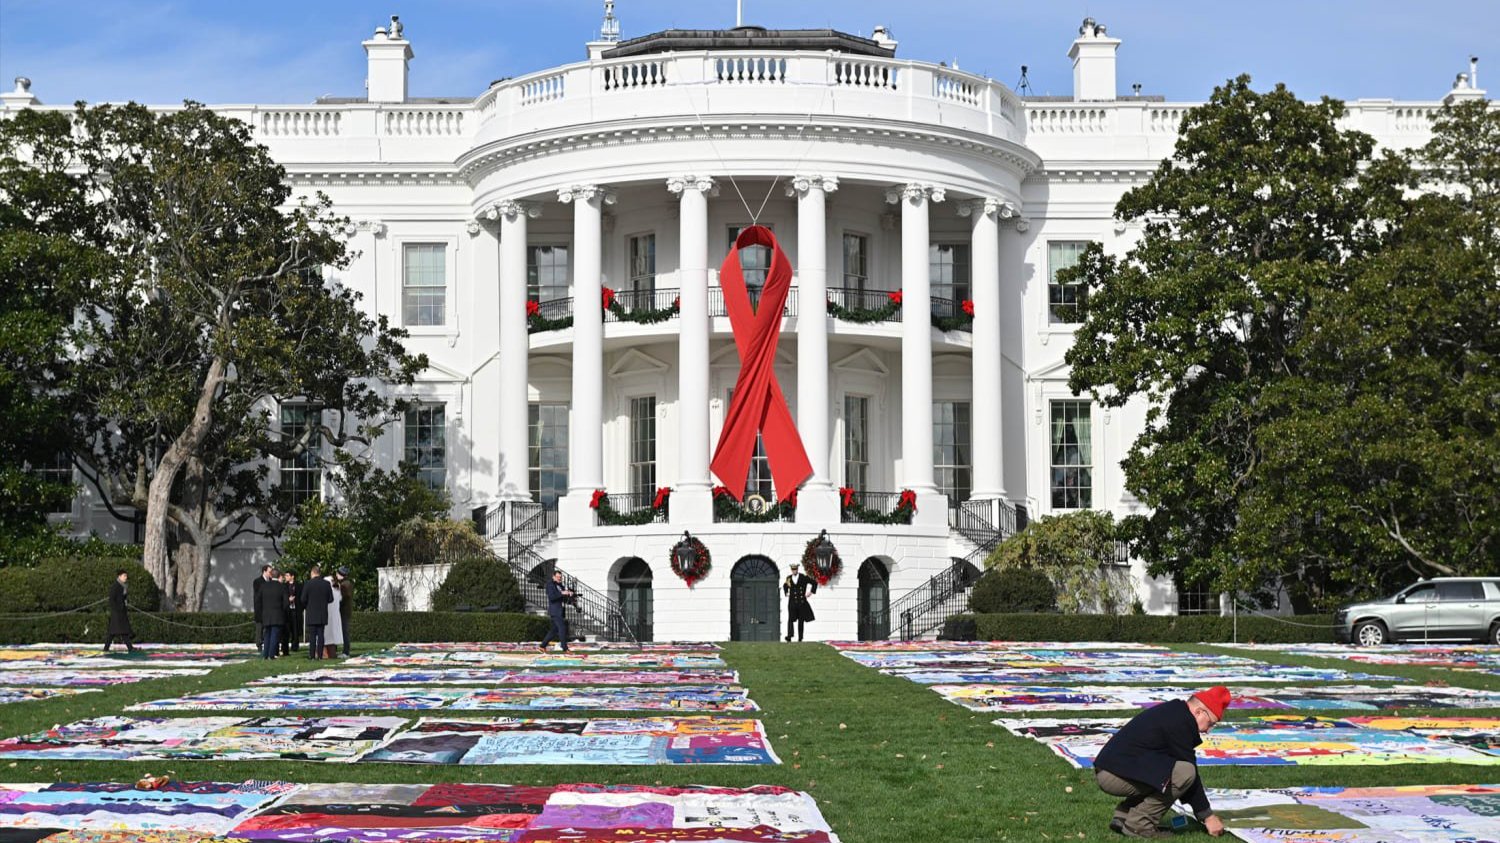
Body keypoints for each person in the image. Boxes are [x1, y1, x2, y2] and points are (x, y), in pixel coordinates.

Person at [1093, 686, 1231, 838]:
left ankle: (1124, 815)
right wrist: (1207, 816)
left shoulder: (1175, 712)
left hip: (1113, 770)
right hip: (1114, 776)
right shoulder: (1181, 722)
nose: (1208, 730)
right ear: (1199, 712)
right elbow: (1190, 776)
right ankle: (1139, 825)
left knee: (1168, 770)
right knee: (1184, 772)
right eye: (1211, 723)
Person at [302, 566, 334, 660]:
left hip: (311, 612)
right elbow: (330, 599)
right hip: (322, 613)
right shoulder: (326, 584)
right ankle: (320, 655)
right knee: (321, 635)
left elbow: (303, 598)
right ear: (319, 573)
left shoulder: (308, 583)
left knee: (312, 636)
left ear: (312, 573)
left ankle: (312, 655)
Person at [255, 568, 287, 659]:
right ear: (279, 575)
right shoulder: (282, 587)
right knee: (274, 635)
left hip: (266, 614)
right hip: (277, 614)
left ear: (271, 575)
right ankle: (271, 654)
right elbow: (286, 603)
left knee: (267, 635)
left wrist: (262, 611)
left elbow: (258, 600)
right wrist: (282, 610)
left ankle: (266, 654)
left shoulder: (263, 586)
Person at [539, 569, 575, 652]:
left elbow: (563, 598)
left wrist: (570, 594)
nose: (559, 579)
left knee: (554, 630)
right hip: (555, 611)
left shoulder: (560, 585)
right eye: (558, 577)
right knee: (562, 627)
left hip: (561, 610)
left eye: (560, 577)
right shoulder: (550, 585)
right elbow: (552, 597)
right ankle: (565, 648)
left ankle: (542, 646)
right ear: (553, 576)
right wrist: (562, 593)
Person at [783, 561, 817, 642]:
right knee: (790, 619)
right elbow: (785, 585)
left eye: (795, 569)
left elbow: (814, 583)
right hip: (792, 602)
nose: (794, 571)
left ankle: (800, 637)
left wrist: (811, 592)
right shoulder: (789, 578)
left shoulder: (803, 577)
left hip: (801, 602)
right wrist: (786, 592)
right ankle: (789, 636)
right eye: (792, 569)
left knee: (801, 620)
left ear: (797, 569)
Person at [103, 569, 135, 653]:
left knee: (121, 631)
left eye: (126, 576)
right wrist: (117, 608)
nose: (126, 577)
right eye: (124, 576)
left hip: (121, 612)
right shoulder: (116, 586)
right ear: (119, 576)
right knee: (114, 632)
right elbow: (112, 599)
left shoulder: (123, 586)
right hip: (117, 612)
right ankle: (106, 648)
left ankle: (130, 647)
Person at [280, 571, 302, 655]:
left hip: (296, 610)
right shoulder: (284, 586)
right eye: (285, 575)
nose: (286, 577)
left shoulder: (299, 586)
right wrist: (288, 600)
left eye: (287, 575)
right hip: (287, 610)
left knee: (295, 629)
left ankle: (295, 645)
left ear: (292, 576)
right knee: (286, 628)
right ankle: (284, 646)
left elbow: (301, 598)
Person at [251, 564, 273, 646]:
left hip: (269, 610)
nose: (270, 574)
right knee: (259, 629)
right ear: (264, 571)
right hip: (260, 609)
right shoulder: (257, 581)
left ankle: (267, 644)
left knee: (267, 629)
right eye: (269, 572)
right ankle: (259, 645)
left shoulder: (271, 581)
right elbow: (258, 596)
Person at [324, 575, 345, 659]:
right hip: (335, 616)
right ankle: (332, 653)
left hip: (328, 616)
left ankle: (326, 654)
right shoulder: (337, 591)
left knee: (327, 636)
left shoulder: (329, 592)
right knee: (333, 636)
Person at [335, 567, 354, 657]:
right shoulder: (346, 583)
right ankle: (345, 651)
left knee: (344, 631)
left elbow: (345, 597)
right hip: (345, 611)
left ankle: (346, 652)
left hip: (344, 611)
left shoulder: (345, 584)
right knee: (344, 631)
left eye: (337, 574)